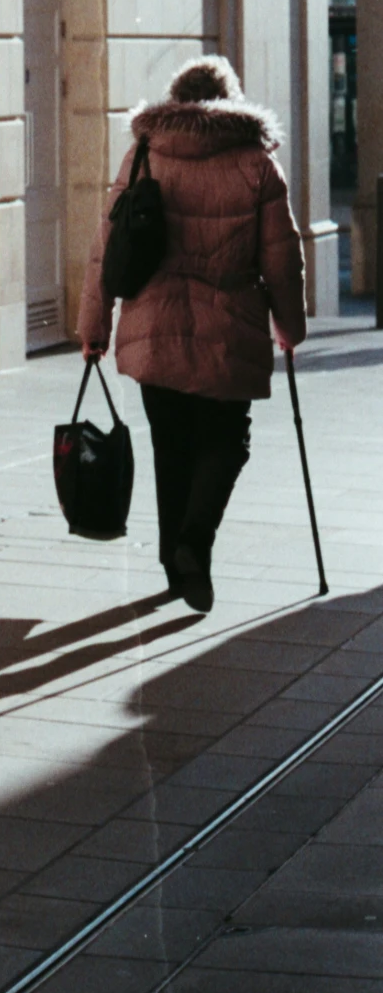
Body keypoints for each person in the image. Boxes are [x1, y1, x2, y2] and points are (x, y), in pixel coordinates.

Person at [77, 55, 306, 613]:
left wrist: (94, 326)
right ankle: (193, 546)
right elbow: (282, 259)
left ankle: (172, 561)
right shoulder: (256, 163)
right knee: (227, 442)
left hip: (152, 325)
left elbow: (106, 247)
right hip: (229, 325)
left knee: (170, 446)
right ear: (231, 101)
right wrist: (289, 325)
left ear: (176, 100)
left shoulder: (144, 154)